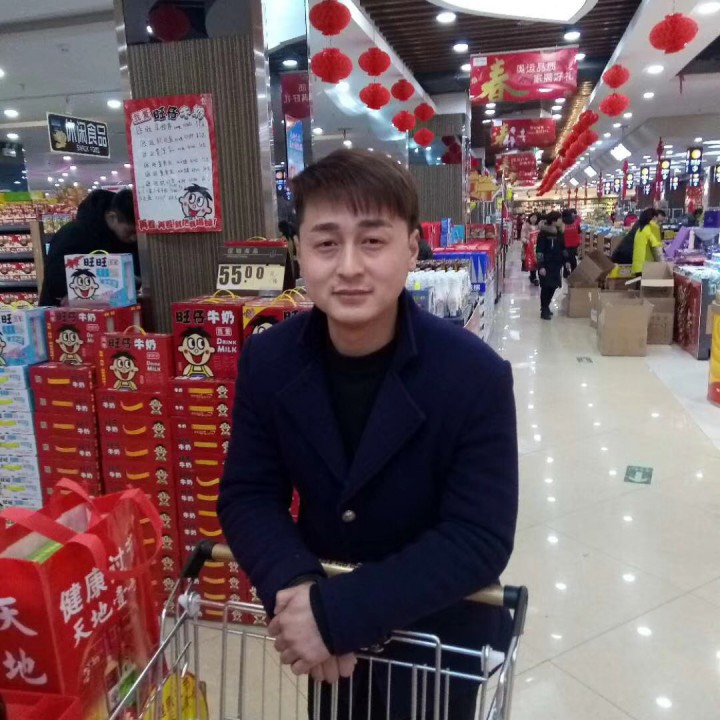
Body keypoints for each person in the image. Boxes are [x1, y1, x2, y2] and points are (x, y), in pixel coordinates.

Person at [219, 149, 518, 719]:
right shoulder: (269, 360)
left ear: (412, 249)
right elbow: (248, 494)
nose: (349, 266)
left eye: (373, 241)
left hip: (436, 640)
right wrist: (297, 588)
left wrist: (338, 615)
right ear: (299, 251)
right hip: (329, 641)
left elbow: (478, 535)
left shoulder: (473, 374)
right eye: (326, 243)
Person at [40, 189, 138, 306]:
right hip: (66, 312)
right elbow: (55, 280)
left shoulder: (124, 239)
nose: (134, 238)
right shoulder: (73, 235)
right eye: (130, 232)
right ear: (112, 218)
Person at [536, 210, 568, 320]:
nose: (561, 221)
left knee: (554, 286)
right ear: (554, 220)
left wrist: (566, 261)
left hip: (556, 264)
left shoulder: (559, 233)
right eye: (559, 219)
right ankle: (544, 309)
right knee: (546, 287)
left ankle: (547, 305)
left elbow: (563, 248)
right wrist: (541, 266)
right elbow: (539, 250)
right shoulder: (543, 233)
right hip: (546, 264)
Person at [631, 208, 663, 276]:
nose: (660, 223)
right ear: (654, 218)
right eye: (659, 221)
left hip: (637, 266)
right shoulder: (652, 228)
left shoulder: (640, 230)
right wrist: (663, 266)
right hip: (645, 266)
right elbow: (657, 249)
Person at [520, 211, 540, 285]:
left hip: (537, 247)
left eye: (535, 217)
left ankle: (534, 276)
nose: (534, 219)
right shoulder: (526, 226)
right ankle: (533, 277)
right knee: (531, 262)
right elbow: (522, 237)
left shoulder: (539, 226)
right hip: (528, 248)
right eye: (532, 217)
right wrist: (527, 241)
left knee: (537, 261)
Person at [561, 208, 580, 277]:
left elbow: (560, 234)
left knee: (566, 258)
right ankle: (574, 272)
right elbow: (579, 231)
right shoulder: (575, 222)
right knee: (573, 258)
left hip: (565, 244)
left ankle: (566, 273)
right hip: (575, 243)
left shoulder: (562, 223)